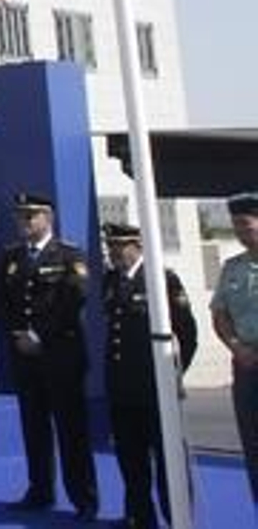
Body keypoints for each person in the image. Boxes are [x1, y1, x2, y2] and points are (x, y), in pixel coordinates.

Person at [0, 191, 98, 520]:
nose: (24, 221)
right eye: (20, 216)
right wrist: (18, 333)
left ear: (48, 218)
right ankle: (40, 489)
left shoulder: (68, 254)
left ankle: (84, 498)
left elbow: (74, 299)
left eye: (31, 215)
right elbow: (3, 301)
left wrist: (39, 335)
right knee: (34, 426)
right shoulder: (11, 256)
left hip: (60, 354)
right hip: (25, 356)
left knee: (71, 429)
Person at [102, 221, 198, 529]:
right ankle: (140, 518)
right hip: (122, 388)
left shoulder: (162, 279)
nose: (114, 252)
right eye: (111, 246)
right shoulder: (110, 280)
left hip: (155, 389)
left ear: (138, 246)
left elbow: (187, 333)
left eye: (120, 246)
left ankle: (178, 517)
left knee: (168, 461)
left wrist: (173, 375)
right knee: (131, 460)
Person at [212, 192, 258, 504]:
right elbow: (220, 315)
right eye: (236, 226)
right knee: (253, 443)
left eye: (246, 224)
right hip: (246, 364)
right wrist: (235, 346)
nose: (241, 231)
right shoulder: (232, 268)